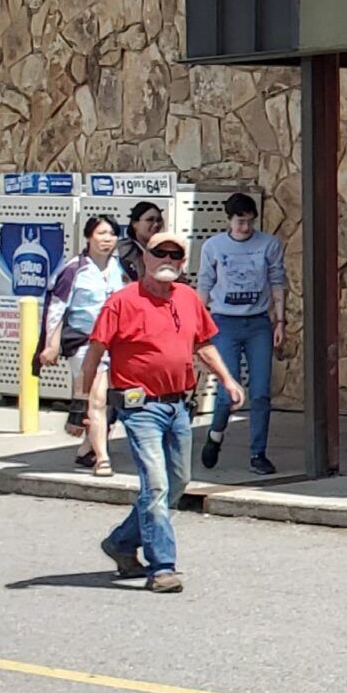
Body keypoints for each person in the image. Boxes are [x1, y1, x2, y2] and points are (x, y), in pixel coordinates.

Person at [85, 234, 243, 593]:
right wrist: (86, 405)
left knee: (177, 483)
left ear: (184, 262)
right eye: (160, 253)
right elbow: (96, 351)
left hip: (177, 404)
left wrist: (228, 380)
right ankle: (163, 567)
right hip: (139, 407)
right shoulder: (121, 302)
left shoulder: (187, 298)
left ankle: (122, 542)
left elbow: (203, 343)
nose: (168, 259)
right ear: (145, 256)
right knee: (155, 484)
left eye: (176, 254)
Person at [197, 192, 287, 474]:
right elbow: (204, 284)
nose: (244, 228)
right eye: (239, 222)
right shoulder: (213, 246)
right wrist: (197, 325)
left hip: (258, 322)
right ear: (229, 220)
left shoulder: (269, 245)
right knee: (228, 391)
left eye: (249, 222)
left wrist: (280, 321)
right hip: (225, 321)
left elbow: (277, 281)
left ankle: (257, 453)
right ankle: (215, 434)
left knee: (260, 392)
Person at [50, 215, 127, 472]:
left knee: (110, 400)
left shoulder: (120, 268)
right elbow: (57, 308)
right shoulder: (74, 269)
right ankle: (102, 458)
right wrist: (51, 342)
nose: (107, 240)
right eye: (101, 234)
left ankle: (87, 448)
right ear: (88, 237)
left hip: (115, 342)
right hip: (85, 342)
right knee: (97, 400)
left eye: (112, 234)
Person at [118, 200, 167, 284]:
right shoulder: (122, 250)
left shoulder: (168, 250)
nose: (156, 224)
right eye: (150, 220)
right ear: (135, 224)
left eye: (159, 220)